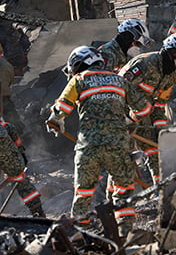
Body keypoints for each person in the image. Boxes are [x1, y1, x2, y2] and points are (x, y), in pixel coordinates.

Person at [47, 46, 139, 224]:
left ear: (80, 64)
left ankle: (82, 235)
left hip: (88, 147)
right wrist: (129, 121)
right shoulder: (119, 79)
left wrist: (56, 122)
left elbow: (61, 109)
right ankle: (124, 233)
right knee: (124, 190)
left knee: (83, 194)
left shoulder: (79, 79)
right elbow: (143, 108)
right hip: (118, 146)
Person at [120, 33, 176, 182]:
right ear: (174, 54)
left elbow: (159, 106)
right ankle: (111, 198)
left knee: (156, 150)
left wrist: (161, 130)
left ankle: (161, 188)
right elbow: (118, 88)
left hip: (142, 115)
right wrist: (123, 117)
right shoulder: (145, 64)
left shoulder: (170, 77)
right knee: (120, 157)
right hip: (122, 115)